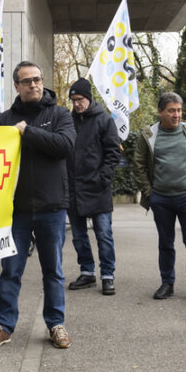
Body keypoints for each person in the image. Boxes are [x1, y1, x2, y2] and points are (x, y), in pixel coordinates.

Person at [0, 61, 76, 350]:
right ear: (17, 86)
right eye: (26, 81)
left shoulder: (60, 114)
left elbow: (65, 145)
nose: (33, 84)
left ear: (42, 81)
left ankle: (56, 324)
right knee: (11, 270)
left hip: (52, 207)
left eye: (37, 79)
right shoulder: (3, 119)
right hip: (16, 210)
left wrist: (28, 132)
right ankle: (4, 325)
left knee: (54, 270)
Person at [133, 92, 186, 303]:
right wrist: (150, 194)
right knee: (166, 244)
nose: (176, 115)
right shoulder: (148, 135)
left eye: (179, 110)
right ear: (160, 112)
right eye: (171, 111)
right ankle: (167, 284)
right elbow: (139, 165)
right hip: (161, 200)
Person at [65, 78, 122, 296]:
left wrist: (102, 177)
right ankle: (87, 272)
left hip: (98, 188)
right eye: (73, 100)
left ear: (88, 98)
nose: (76, 103)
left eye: (79, 99)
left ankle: (108, 275)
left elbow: (113, 152)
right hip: (75, 190)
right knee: (79, 236)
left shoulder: (104, 119)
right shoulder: (68, 120)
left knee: (104, 235)